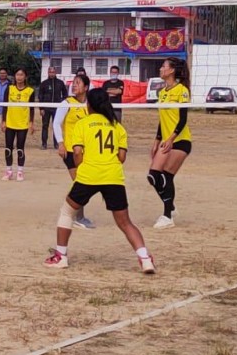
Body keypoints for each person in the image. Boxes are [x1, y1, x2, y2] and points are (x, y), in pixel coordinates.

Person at [44, 88, 155, 274]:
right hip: (113, 176)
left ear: (89, 105)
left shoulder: (83, 124)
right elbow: (121, 157)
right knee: (125, 222)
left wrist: (81, 164)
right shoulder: (118, 127)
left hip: (89, 175)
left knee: (67, 211)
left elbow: (77, 153)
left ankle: (61, 256)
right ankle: (145, 258)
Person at [148, 57, 192, 229]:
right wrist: (156, 140)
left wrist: (171, 139)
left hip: (180, 140)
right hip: (166, 141)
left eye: (163, 66)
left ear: (172, 70)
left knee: (166, 177)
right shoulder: (163, 92)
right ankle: (171, 206)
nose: (160, 68)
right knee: (153, 176)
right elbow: (162, 120)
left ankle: (167, 217)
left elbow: (182, 119)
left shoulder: (182, 90)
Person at [53, 74, 95, 229]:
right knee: (79, 182)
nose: (74, 85)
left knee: (85, 182)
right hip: (70, 150)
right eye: (73, 83)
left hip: (87, 151)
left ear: (86, 87)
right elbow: (56, 124)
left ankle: (74, 213)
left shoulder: (90, 104)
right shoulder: (66, 103)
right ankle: (77, 216)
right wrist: (61, 144)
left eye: (78, 83)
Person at [1, 68, 35, 181]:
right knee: (8, 148)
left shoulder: (30, 91)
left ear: (25, 77)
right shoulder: (9, 88)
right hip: (10, 122)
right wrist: (3, 121)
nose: (19, 77)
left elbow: (31, 109)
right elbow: (5, 106)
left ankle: (20, 171)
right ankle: (9, 170)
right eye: (17, 74)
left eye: (21, 75)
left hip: (22, 124)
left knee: (20, 148)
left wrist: (31, 122)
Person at [38, 67, 68, 149]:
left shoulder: (60, 83)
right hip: (46, 108)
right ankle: (44, 144)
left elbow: (65, 94)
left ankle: (56, 144)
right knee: (45, 126)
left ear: (56, 73)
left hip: (57, 108)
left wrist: (61, 103)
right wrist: (41, 108)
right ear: (48, 73)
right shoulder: (44, 83)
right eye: (50, 72)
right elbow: (40, 96)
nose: (52, 73)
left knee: (56, 125)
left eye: (53, 72)